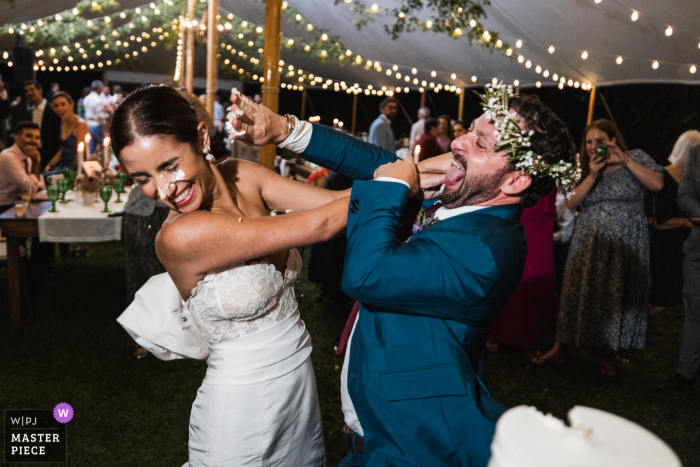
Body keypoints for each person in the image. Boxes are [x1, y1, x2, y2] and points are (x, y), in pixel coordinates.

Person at [229, 84, 579, 467]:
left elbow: (366, 273)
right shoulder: (466, 199)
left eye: (480, 142)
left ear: (515, 181)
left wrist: (393, 186)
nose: (459, 142)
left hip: (414, 446)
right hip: (378, 435)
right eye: (469, 130)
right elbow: (379, 161)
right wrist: (284, 130)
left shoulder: (483, 249)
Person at [114, 85, 351, 466]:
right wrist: (403, 184)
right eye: (142, 177)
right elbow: (324, 223)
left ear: (202, 138)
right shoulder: (180, 235)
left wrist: (434, 173)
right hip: (239, 413)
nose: (163, 190)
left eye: (169, 165)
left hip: (299, 390)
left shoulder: (243, 174)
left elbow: (341, 201)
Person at [535, 119, 663, 376]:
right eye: (589, 141)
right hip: (590, 238)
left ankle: (606, 356)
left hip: (627, 239)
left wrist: (624, 160)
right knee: (577, 290)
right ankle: (561, 347)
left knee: (614, 295)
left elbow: (657, 184)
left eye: (600, 141)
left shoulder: (635, 157)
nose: (594, 146)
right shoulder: (583, 166)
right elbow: (570, 204)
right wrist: (593, 174)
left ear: (613, 140)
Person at [487, 188, 558, 357]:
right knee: (505, 266)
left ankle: (530, 338)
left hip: (541, 206)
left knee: (536, 270)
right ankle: (494, 333)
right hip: (511, 194)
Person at [658, 142, 700, 392]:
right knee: (695, 311)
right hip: (698, 249)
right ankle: (685, 375)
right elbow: (685, 195)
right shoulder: (695, 153)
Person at [647, 130, 700, 318]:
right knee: (658, 301)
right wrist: (686, 222)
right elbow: (655, 220)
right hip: (662, 246)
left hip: (683, 245)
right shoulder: (660, 177)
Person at [0, 80, 62, 174]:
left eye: (32, 90)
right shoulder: (25, 112)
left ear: (40, 91)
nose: (29, 93)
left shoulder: (53, 110)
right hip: (30, 155)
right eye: (26, 91)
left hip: (50, 157)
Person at [0, 122, 45, 213]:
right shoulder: (8, 156)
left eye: (37, 137)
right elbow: (30, 189)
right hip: (5, 208)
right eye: (29, 136)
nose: (34, 141)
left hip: (20, 204)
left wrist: (33, 187)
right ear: (17, 138)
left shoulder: (27, 156)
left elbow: (40, 184)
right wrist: (37, 162)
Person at [42, 92, 90, 178]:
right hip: (63, 167)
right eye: (56, 106)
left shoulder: (80, 124)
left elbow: (80, 155)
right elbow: (63, 149)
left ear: (71, 105)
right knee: (41, 176)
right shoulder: (63, 121)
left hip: (74, 171)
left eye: (63, 104)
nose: (60, 108)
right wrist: (49, 165)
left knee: (43, 179)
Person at [83, 80, 109, 154]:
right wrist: (104, 131)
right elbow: (100, 118)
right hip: (96, 126)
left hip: (88, 125)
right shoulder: (98, 100)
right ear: (99, 88)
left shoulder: (86, 98)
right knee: (104, 147)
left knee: (90, 149)